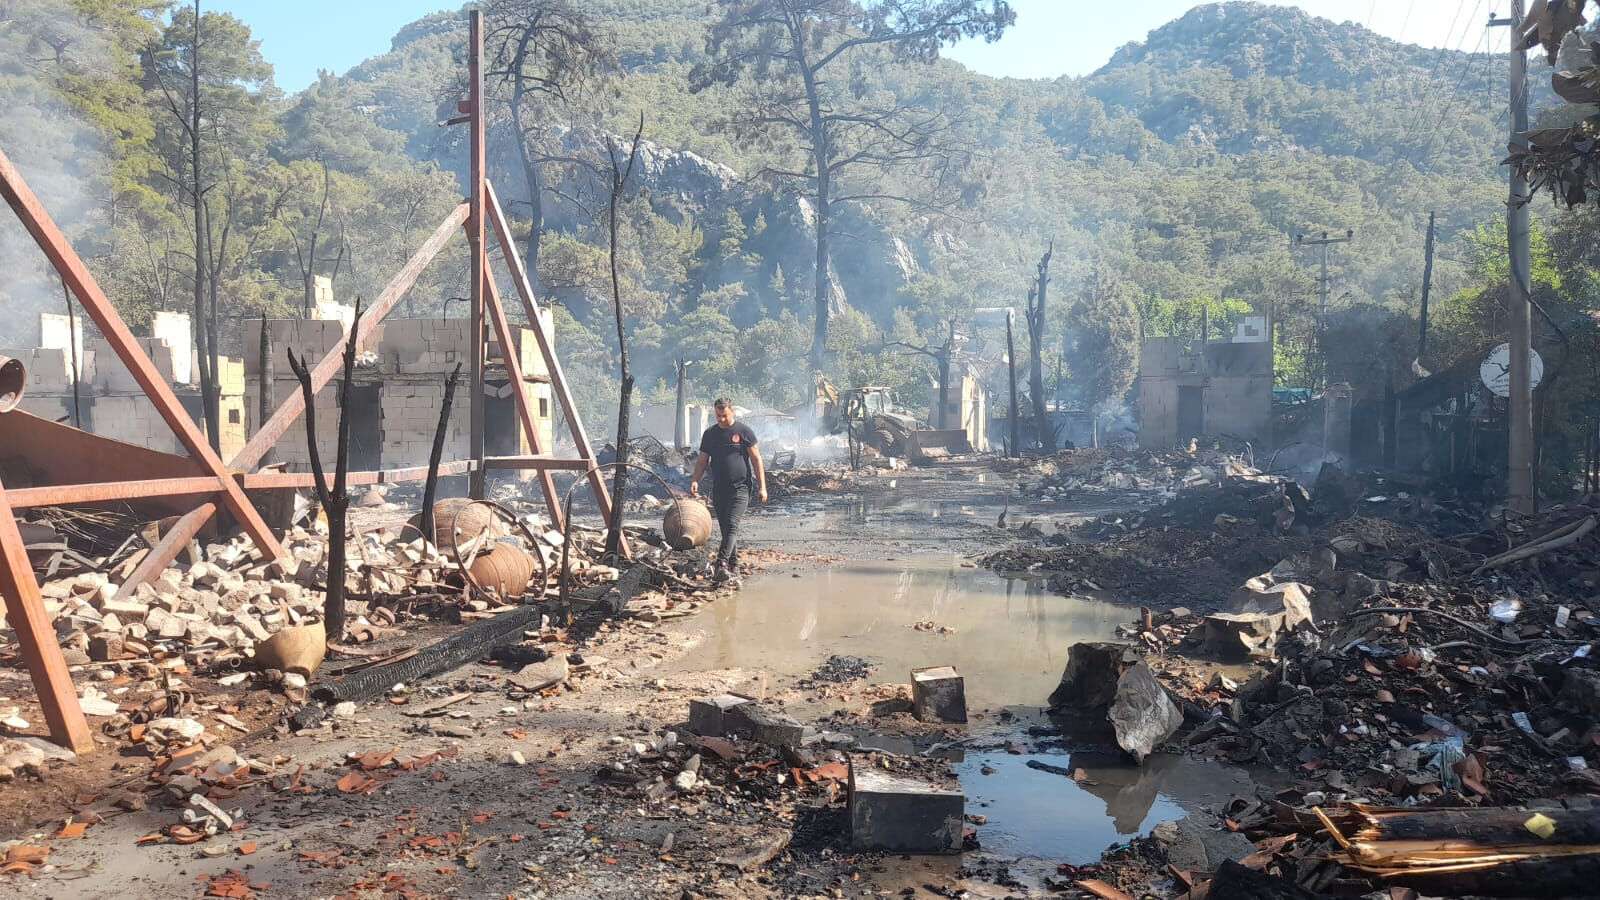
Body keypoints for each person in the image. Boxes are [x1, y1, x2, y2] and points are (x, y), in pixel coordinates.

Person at [689, 398, 766, 582]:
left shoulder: (744, 432)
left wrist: (762, 487)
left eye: (724, 415)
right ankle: (735, 565)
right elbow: (702, 461)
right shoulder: (710, 434)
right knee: (726, 530)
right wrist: (695, 480)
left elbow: (756, 460)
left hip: (741, 488)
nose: (721, 419)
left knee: (732, 525)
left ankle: (721, 564)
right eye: (718, 415)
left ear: (732, 412)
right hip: (719, 489)